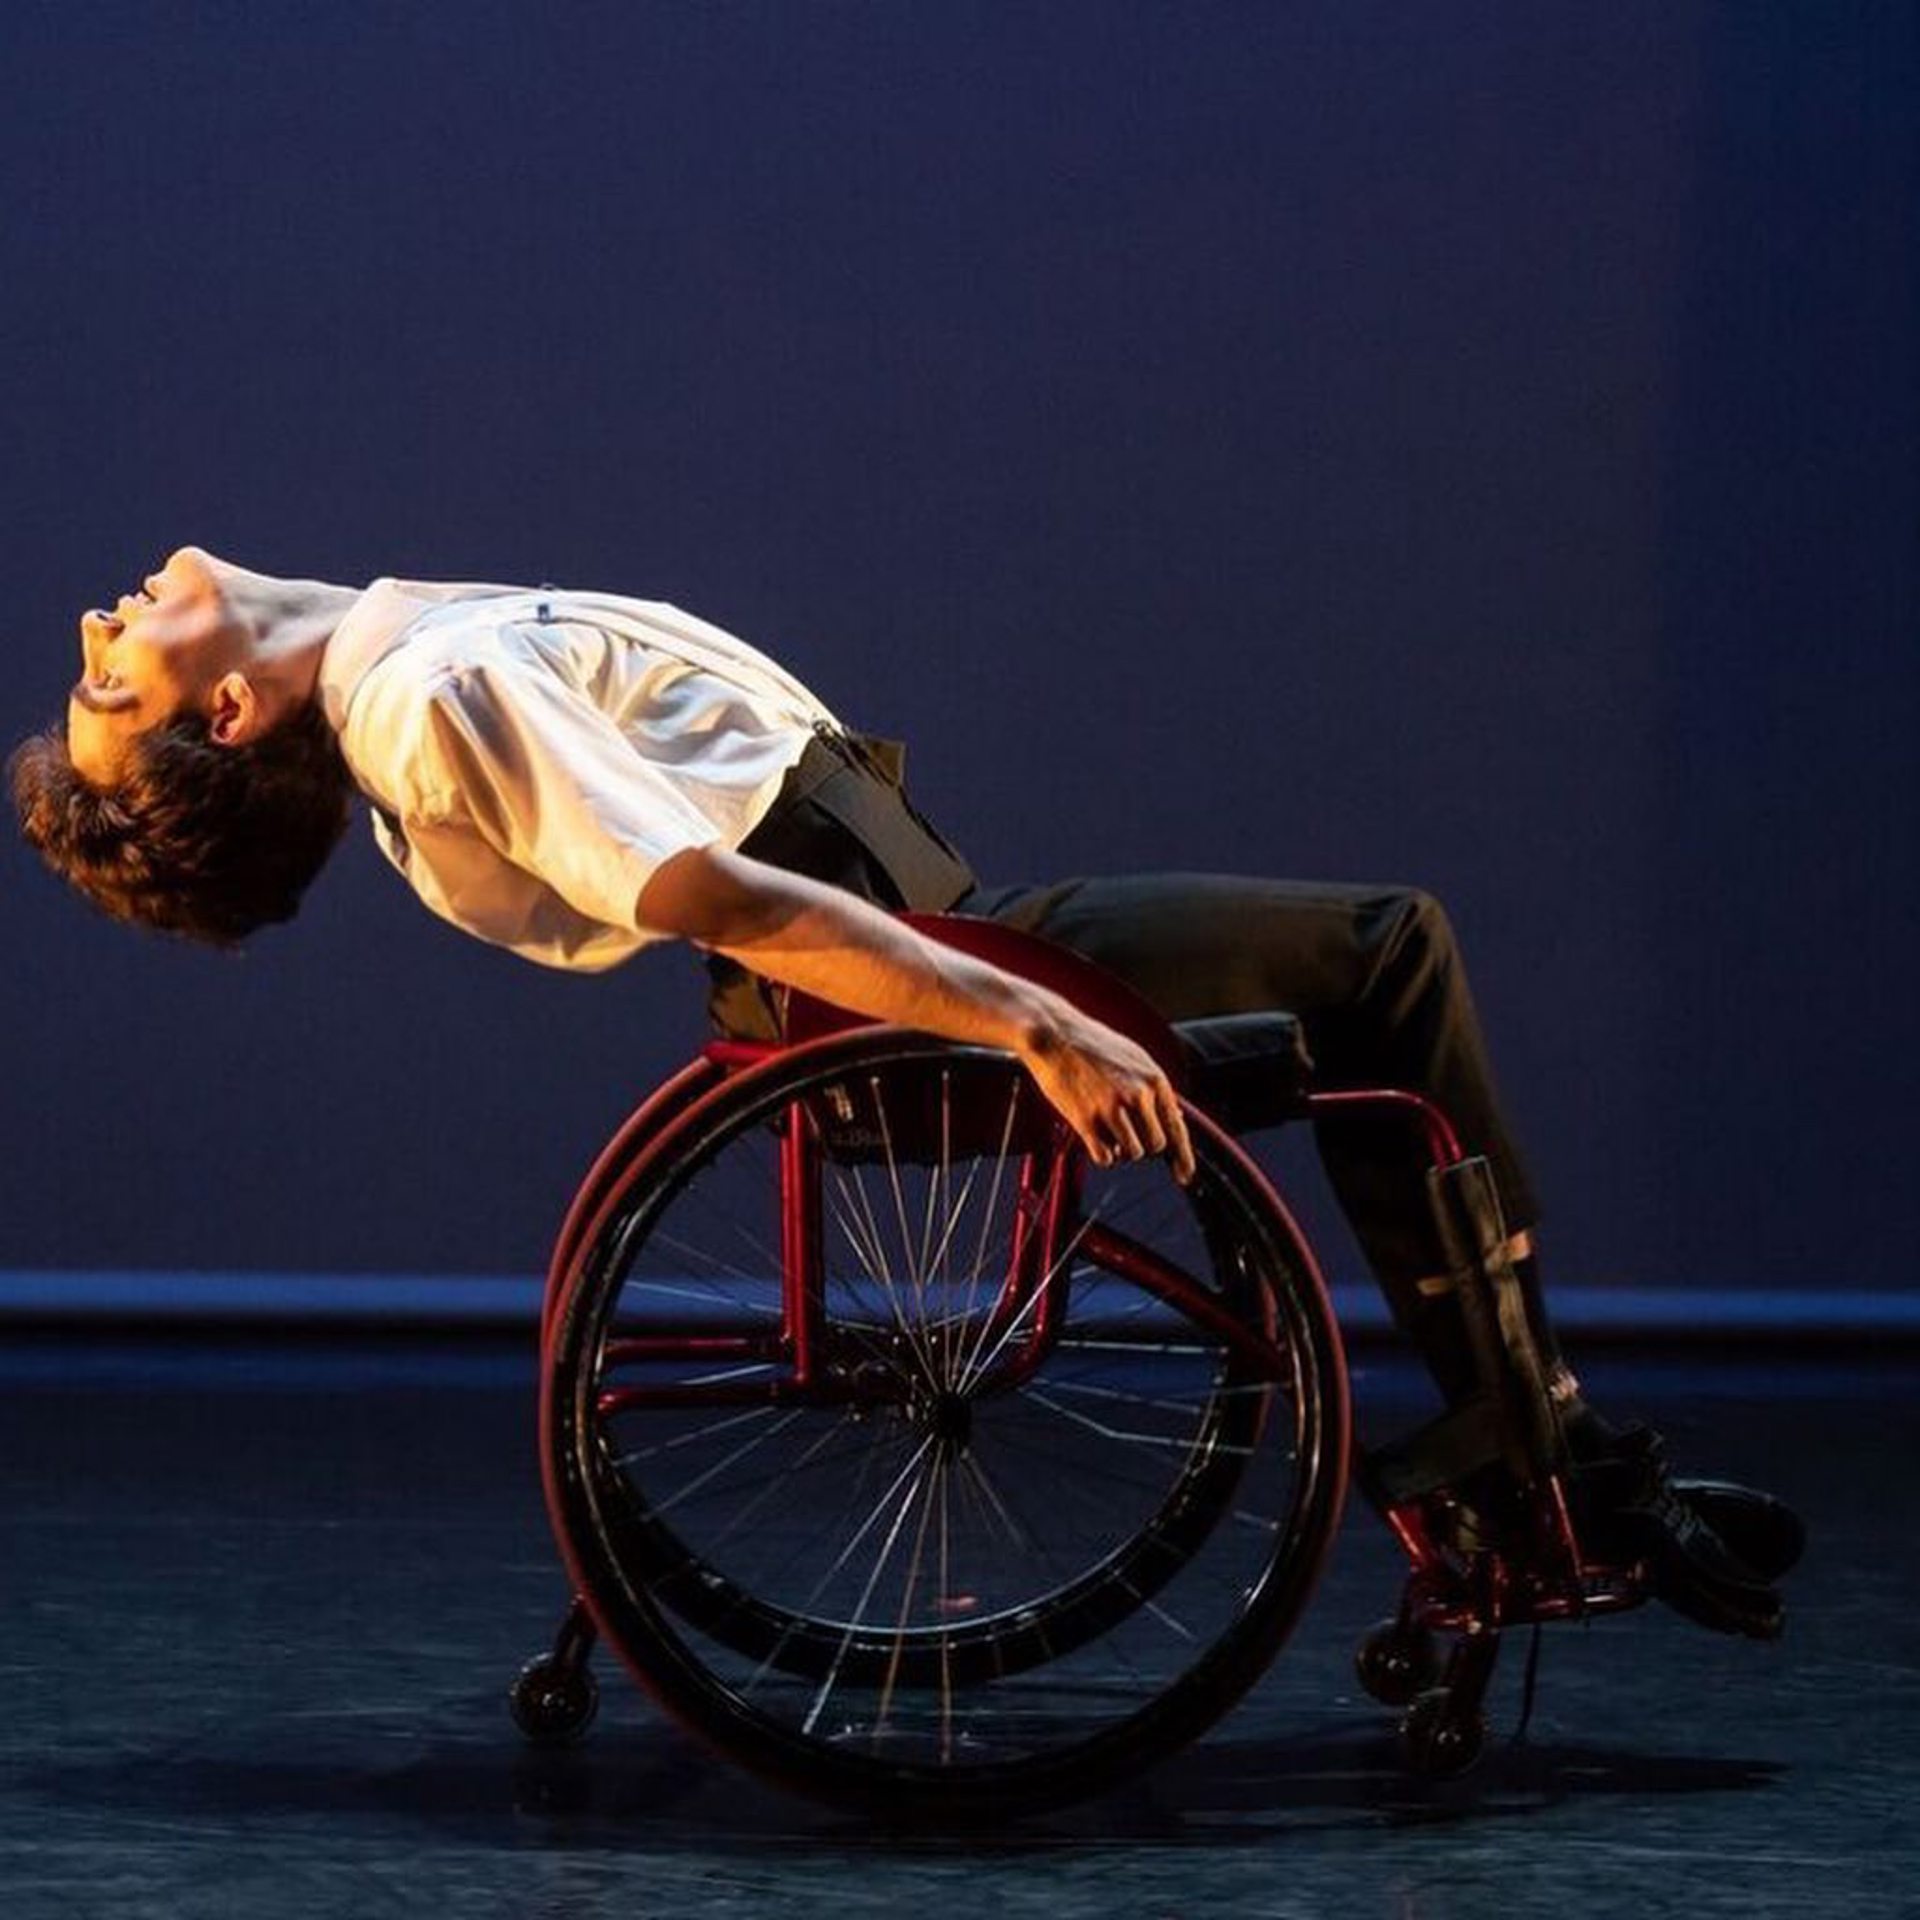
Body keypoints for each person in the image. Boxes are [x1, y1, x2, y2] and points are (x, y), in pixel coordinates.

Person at [13, 545, 1801, 1631]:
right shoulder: (428, 696)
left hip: (923, 937)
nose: (103, 619)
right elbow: (707, 894)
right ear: (228, 720)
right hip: (910, 981)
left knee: (1371, 985)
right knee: (1389, 958)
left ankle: (1538, 1447)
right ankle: (1539, 1447)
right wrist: (1026, 1021)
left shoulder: (412, 662)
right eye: (110, 677)